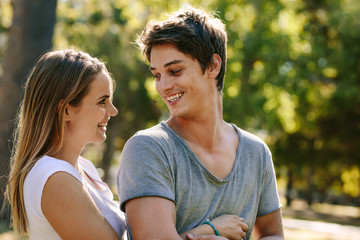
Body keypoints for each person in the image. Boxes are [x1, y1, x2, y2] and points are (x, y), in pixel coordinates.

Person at [117, 6, 284, 240]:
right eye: (156, 75)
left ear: (213, 66)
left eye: (175, 71)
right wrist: (212, 230)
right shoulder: (148, 148)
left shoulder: (256, 153)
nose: (163, 86)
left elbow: (272, 234)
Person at [5, 49, 126, 239]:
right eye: (102, 101)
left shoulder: (83, 168)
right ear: (65, 110)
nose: (113, 111)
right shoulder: (54, 178)